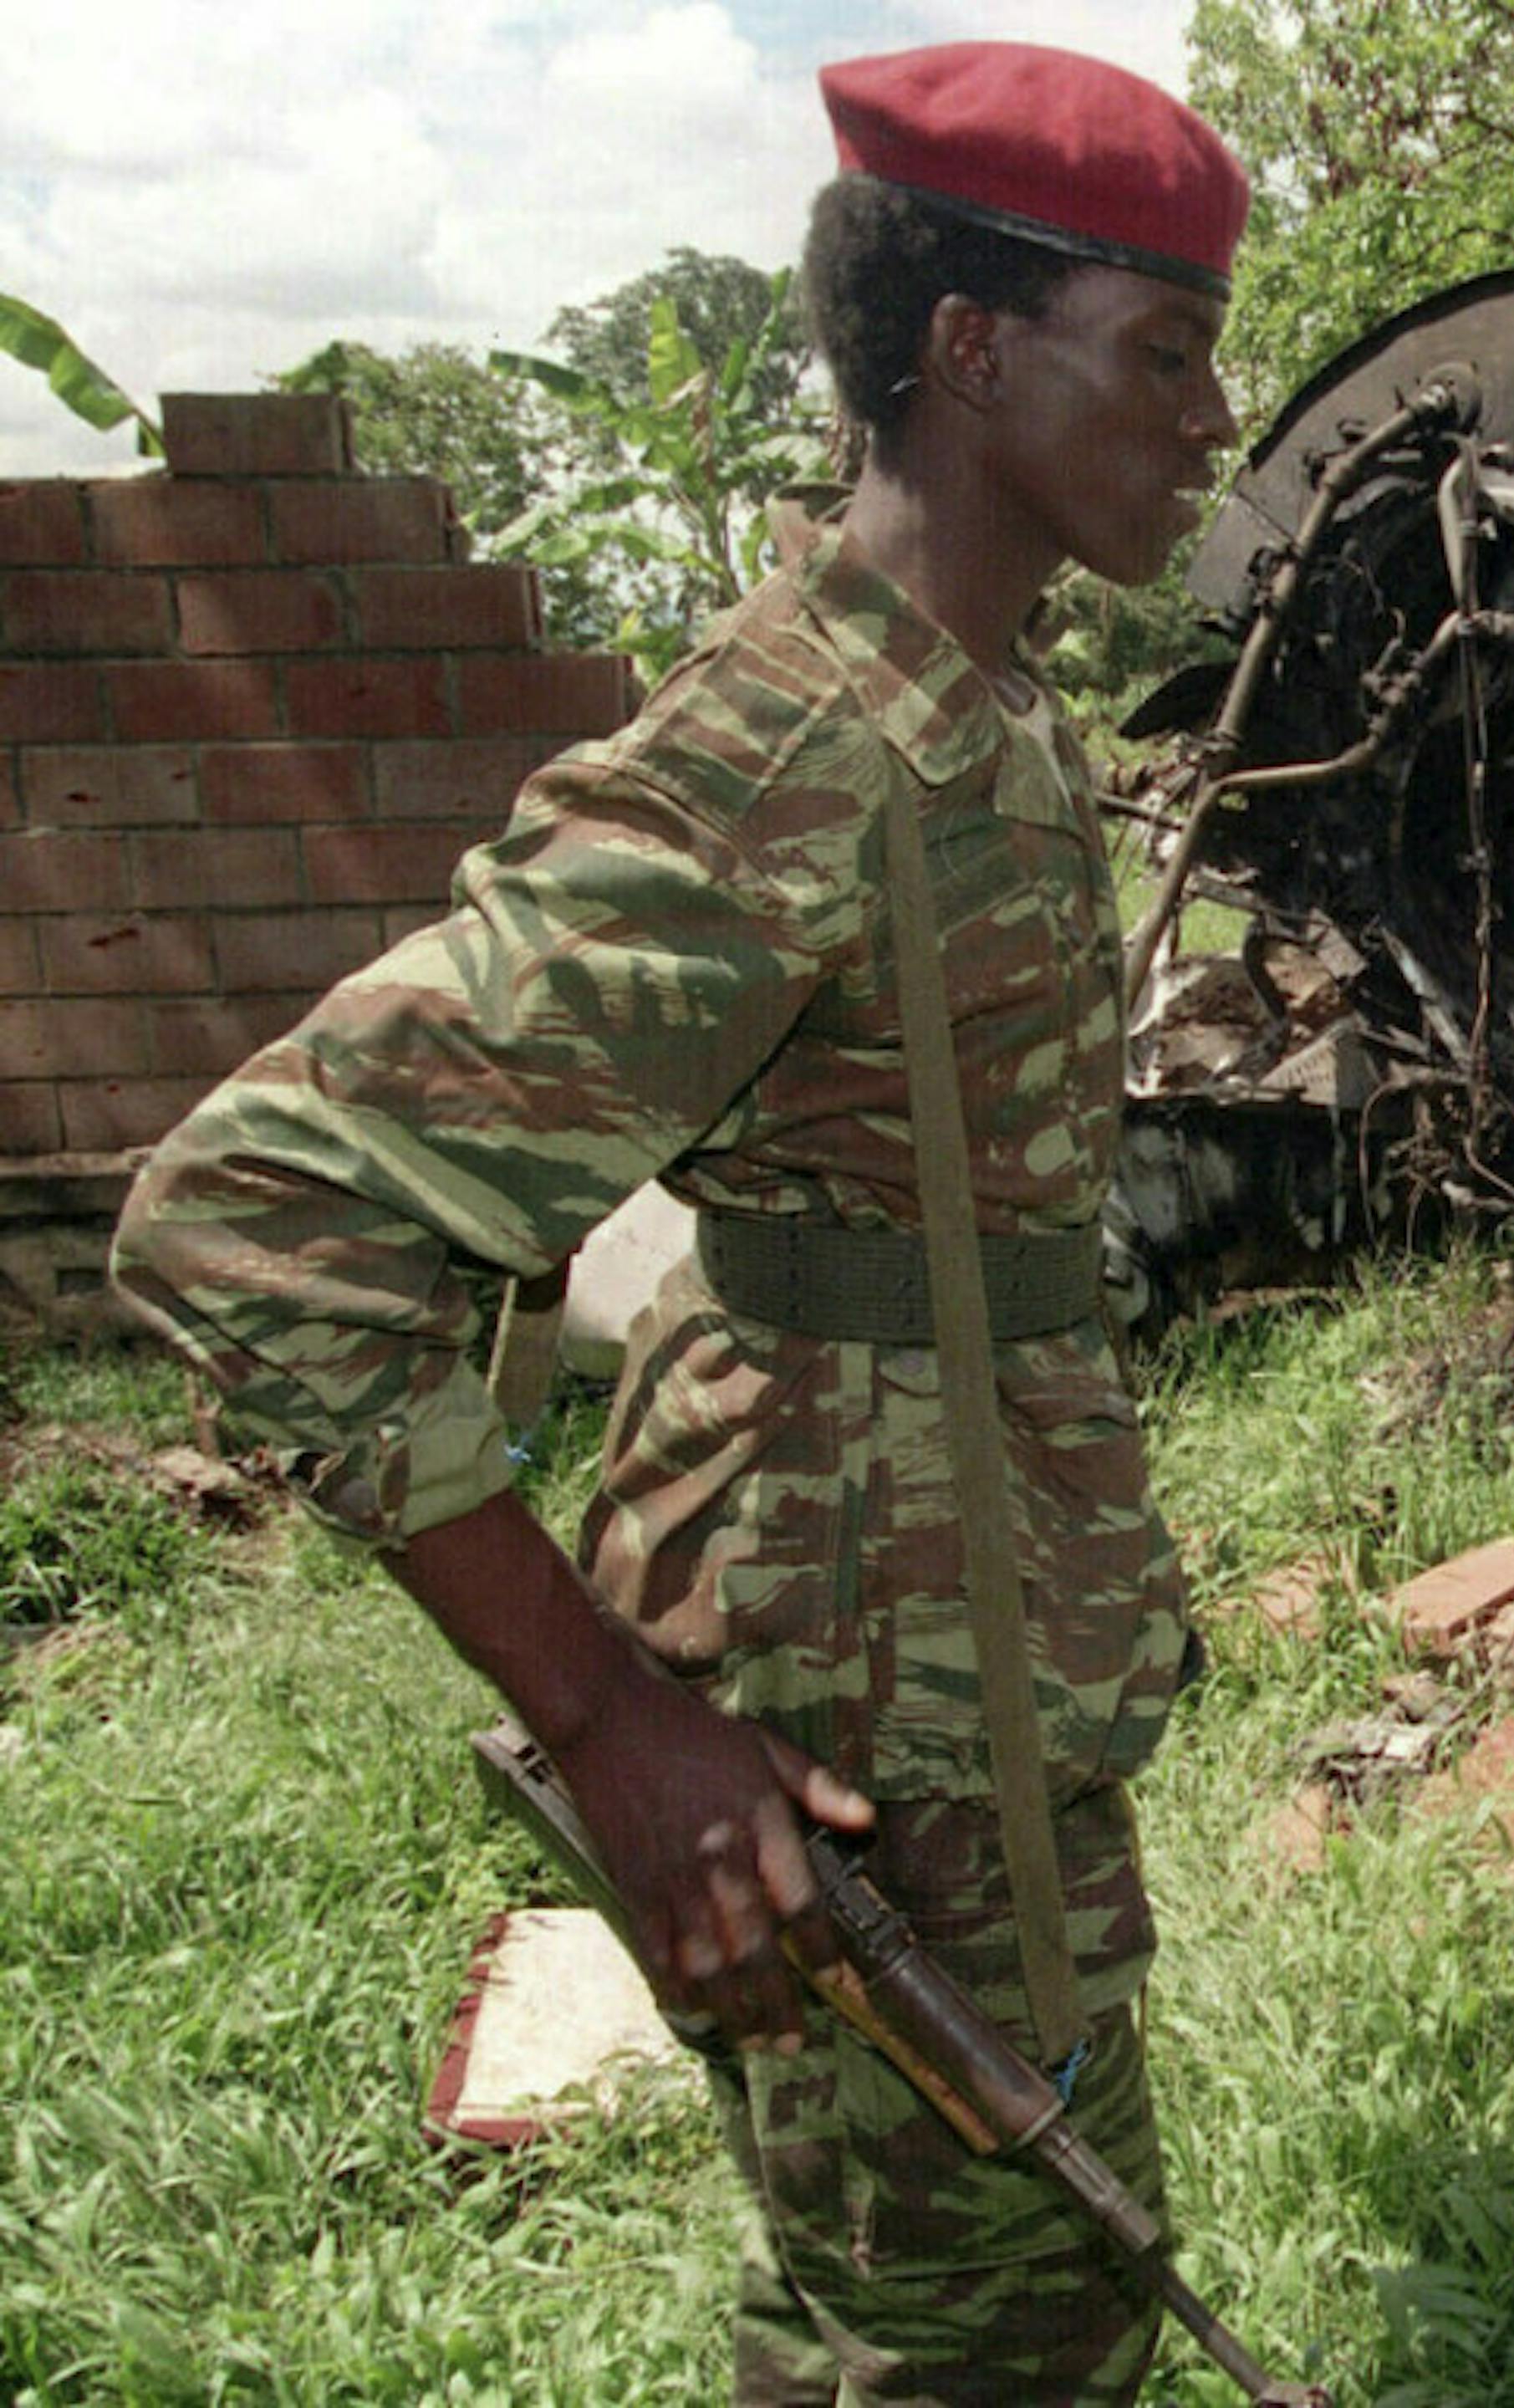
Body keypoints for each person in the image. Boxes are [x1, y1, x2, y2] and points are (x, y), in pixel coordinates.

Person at [110, 42, 1246, 2406]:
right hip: (865, 1711)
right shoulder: (795, 758)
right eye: (1164, 354)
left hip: (972, 1652)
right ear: (969, 355)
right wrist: (612, 1717)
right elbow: (250, 1215)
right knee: (987, 2335)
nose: (1211, 416)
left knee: (927, 2316)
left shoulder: (982, 711)